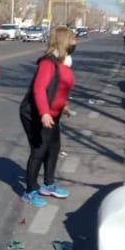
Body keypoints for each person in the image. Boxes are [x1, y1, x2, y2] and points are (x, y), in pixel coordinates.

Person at [19, 26, 77, 207]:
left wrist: (63, 106)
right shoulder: (48, 62)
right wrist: (44, 112)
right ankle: (29, 191)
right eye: (73, 38)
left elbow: (59, 88)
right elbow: (39, 89)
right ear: (64, 40)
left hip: (53, 114)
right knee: (39, 150)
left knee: (53, 148)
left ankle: (48, 185)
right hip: (36, 114)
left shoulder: (63, 62)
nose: (76, 42)